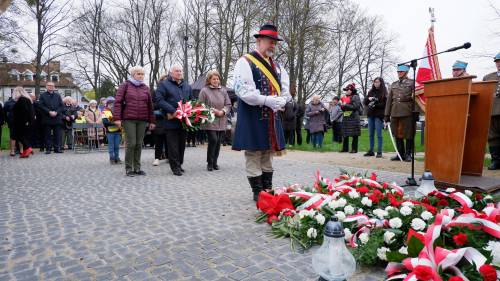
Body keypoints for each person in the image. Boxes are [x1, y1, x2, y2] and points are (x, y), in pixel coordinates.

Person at [232, 23, 291, 201]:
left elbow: (285, 90)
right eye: (269, 41)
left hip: (272, 117)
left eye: (275, 42)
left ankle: (267, 189)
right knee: (253, 154)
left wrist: (283, 100)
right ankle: (258, 193)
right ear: (259, 40)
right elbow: (243, 91)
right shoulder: (245, 61)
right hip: (252, 116)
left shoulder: (279, 67)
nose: (272, 45)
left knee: (268, 153)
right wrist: (268, 100)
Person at [114, 65, 156, 177]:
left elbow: (150, 106)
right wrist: (117, 118)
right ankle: (128, 168)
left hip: (142, 119)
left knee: (138, 144)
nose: (141, 76)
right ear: (133, 74)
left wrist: (152, 121)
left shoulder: (145, 88)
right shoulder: (125, 85)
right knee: (131, 143)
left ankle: (137, 168)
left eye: (142, 74)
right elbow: (117, 102)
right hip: (129, 119)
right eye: (138, 74)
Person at [155, 64, 193, 176]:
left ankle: (179, 164)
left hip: (183, 120)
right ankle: (174, 167)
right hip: (171, 119)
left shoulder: (187, 86)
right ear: (171, 73)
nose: (180, 73)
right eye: (177, 71)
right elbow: (159, 100)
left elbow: (191, 100)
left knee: (182, 144)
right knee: (173, 146)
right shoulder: (164, 85)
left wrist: (190, 110)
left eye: (181, 71)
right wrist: (173, 111)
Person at [198, 70, 231, 171]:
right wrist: (212, 111)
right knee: (213, 140)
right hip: (210, 120)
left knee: (218, 142)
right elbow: (200, 105)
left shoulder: (224, 90)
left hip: (222, 119)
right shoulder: (204, 91)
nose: (216, 81)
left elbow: (228, 104)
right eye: (213, 79)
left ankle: (215, 162)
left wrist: (223, 111)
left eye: (217, 79)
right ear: (209, 80)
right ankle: (210, 162)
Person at [384, 65, 415, 162]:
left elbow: (416, 98)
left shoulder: (412, 83)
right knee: (397, 133)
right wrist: (386, 114)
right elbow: (389, 100)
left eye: (401, 72)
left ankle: (408, 154)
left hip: (407, 111)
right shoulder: (394, 84)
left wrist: (416, 111)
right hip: (395, 111)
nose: (399, 73)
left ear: (406, 72)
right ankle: (400, 154)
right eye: (398, 72)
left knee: (408, 133)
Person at [483, 52, 500, 170]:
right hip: (492, 110)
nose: (499, 64)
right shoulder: (488, 77)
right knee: (492, 136)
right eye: (497, 62)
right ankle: (496, 160)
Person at [363, 77, 387, 158]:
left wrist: (375, 103)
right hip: (370, 115)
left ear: (381, 83)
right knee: (370, 134)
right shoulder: (371, 91)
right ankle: (371, 151)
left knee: (379, 134)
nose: (376, 83)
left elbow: (384, 104)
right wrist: (369, 98)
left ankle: (379, 151)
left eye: (377, 82)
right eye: (375, 82)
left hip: (378, 115)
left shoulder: (384, 92)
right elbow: (365, 102)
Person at [38, 81, 64, 154]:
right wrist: (49, 112)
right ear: (46, 87)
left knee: (57, 134)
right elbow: (41, 105)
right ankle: (48, 149)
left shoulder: (58, 95)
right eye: (49, 85)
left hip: (57, 117)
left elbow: (61, 106)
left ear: (54, 87)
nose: (51, 87)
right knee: (47, 134)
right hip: (47, 117)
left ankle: (57, 148)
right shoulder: (42, 95)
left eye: (52, 86)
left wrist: (56, 112)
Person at [12, 87, 35, 158]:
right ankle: (25, 152)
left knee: (19, 136)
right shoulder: (26, 99)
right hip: (25, 121)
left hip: (22, 122)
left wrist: (26, 121)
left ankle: (28, 148)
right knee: (24, 136)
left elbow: (24, 111)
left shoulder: (22, 99)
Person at [152, 74, 169, 167]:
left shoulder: (171, 91)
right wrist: (162, 105)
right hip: (159, 118)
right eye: (163, 80)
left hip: (169, 118)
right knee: (159, 139)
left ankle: (168, 156)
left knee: (169, 139)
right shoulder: (155, 92)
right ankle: (157, 158)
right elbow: (152, 105)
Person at [340, 83, 362, 153]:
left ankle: (354, 149)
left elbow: (355, 106)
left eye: (347, 90)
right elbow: (344, 109)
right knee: (345, 133)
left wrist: (346, 105)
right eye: (346, 90)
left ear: (351, 90)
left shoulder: (355, 97)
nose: (346, 91)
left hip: (353, 117)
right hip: (346, 117)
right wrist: (342, 106)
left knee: (354, 134)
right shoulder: (345, 97)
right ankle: (345, 148)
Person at [102, 96, 122, 165]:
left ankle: (117, 158)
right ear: (107, 105)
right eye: (110, 104)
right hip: (110, 132)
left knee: (117, 146)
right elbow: (105, 122)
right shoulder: (105, 112)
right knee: (111, 146)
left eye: (113, 104)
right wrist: (114, 123)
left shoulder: (117, 112)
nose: (112, 106)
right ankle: (112, 158)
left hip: (117, 131)